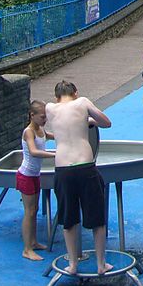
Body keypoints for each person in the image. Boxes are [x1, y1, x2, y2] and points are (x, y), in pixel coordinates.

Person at [45, 81, 112, 275]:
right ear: (75, 92)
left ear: (57, 96)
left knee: (69, 218)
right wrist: (90, 121)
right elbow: (106, 122)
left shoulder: (50, 108)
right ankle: (101, 264)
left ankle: (73, 264)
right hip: (85, 166)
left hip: (63, 168)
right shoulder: (82, 102)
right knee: (97, 218)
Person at [17, 100, 56, 261]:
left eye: (46, 117)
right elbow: (33, 151)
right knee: (29, 211)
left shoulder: (40, 128)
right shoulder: (29, 132)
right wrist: (55, 155)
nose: (44, 120)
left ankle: (33, 242)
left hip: (35, 175)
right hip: (26, 175)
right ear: (32, 116)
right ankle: (26, 249)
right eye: (42, 117)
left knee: (35, 209)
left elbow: (51, 136)